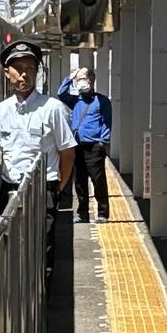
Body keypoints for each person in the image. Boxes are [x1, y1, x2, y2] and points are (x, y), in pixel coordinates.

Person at [0, 39, 77, 281]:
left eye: (30, 68)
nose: (24, 74)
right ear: (7, 73)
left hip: (43, 189)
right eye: (18, 68)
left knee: (42, 248)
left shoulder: (52, 108)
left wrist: (57, 188)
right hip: (10, 187)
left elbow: (67, 153)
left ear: (38, 72)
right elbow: (0, 151)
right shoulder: (1, 111)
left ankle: (42, 292)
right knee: (9, 246)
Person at [56, 65, 113, 223]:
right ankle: (83, 214)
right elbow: (61, 93)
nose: (80, 82)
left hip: (94, 147)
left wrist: (102, 142)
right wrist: (71, 77)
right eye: (78, 79)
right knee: (79, 182)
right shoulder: (76, 100)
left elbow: (107, 123)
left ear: (91, 80)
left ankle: (102, 213)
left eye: (83, 78)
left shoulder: (102, 101)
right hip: (78, 146)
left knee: (98, 180)